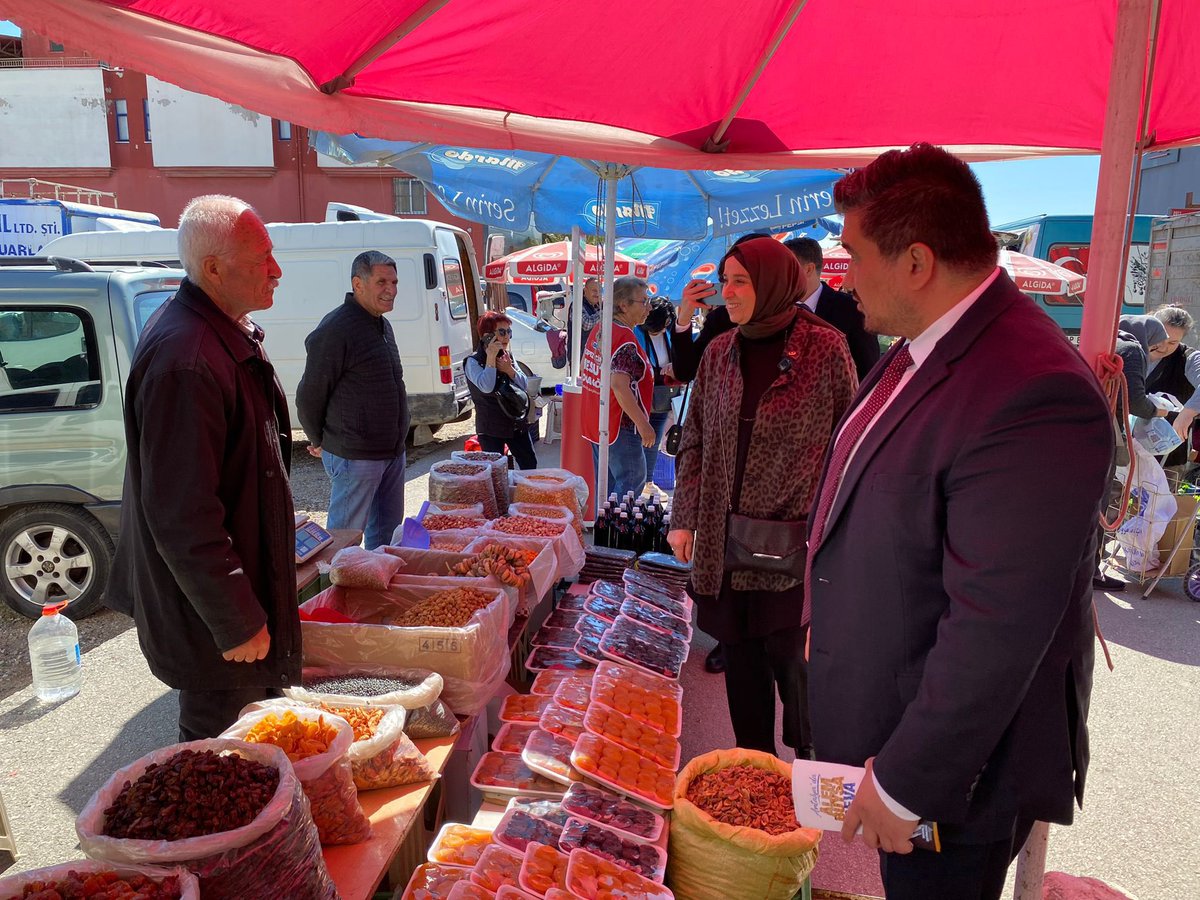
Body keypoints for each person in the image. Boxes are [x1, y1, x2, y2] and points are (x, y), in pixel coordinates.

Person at [804, 143, 1113, 900]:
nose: (842, 277)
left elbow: (998, 623)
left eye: (853, 255)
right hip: (895, 729)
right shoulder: (921, 346)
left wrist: (908, 783)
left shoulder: (1033, 390)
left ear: (916, 262)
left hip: (956, 779)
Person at [107, 195, 299, 741]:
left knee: (257, 740)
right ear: (213, 268)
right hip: (212, 626)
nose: (277, 271)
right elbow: (181, 514)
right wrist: (235, 617)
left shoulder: (217, 331)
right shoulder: (187, 359)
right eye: (263, 257)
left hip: (231, 600)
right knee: (224, 755)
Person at [667, 237, 856, 759]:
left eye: (740, 281)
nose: (727, 292)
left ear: (773, 282)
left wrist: (838, 535)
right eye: (725, 281)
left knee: (792, 658)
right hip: (726, 540)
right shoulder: (720, 352)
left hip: (793, 541)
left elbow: (850, 446)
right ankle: (753, 761)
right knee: (741, 655)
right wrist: (683, 518)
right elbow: (696, 437)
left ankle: (812, 758)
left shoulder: (825, 349)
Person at [297, 251, 410, 551]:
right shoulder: (337, 328)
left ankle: (374, 593)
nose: (392, 289)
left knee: (386, 539)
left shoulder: (382, 325)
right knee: (344, 543)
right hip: (355, 455)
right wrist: (317, 438)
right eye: (382, 281)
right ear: (358, 284)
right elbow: (310, 392)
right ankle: (335, 596)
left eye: (395, 281)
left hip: (391, 452)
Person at [580, 276, 656, 499]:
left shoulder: (602, 328)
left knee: (606, 488)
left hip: (599, 421)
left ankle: (605, 531)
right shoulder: (625, 339)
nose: (649, 308)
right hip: (620, 425)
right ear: (624, 305)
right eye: (644, 301)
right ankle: (616, 533)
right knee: (630, 483)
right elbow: (619, 385)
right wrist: (643, 425)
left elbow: (586, 365)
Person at [783, 236, 882, 380]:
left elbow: (868, 369)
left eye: (785, 267)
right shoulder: (778, 310)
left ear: (808, 269)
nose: (779, 274)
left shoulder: (852, 309)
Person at [464, 309, 539, 469]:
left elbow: (524, 384)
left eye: (509, 332)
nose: (506, 337)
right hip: (490, 427)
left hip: (515, 423)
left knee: (529, 464)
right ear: (487, 335)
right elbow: (486, 386)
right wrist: (491, 358)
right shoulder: (473, 362)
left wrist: (509, 370)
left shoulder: (508, 356)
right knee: (497, 472)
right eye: (502, 331)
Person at [1147, 304, 1200, 470]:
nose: (1164, 347)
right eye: (1160, 339)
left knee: (1163, 495)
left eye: (1172, 342)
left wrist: (1187, 414)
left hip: (1168, 455)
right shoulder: (1133, 351)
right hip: (1126, 451)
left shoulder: (1188, 358)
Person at [636, 297, 679, 481]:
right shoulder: (636, 332)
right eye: (658, 327)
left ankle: (648, 481)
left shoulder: (668, 332)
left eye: (665, 325)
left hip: (662, 399)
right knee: (638, 444)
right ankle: (639, 484)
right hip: (640, 400)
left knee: (653, 443)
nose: (662, 330)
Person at [566, 276, 603, 356]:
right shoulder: (577, 304)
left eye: (599, 291)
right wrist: (604, 313)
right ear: (585, 290)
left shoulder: (599, 305)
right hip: (578, 355)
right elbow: (587, 324)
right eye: (594, 291)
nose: (597, 294)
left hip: (594, 355)